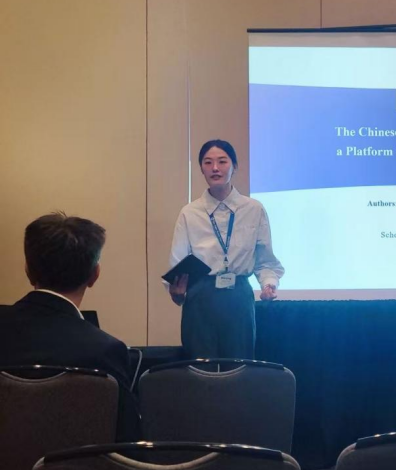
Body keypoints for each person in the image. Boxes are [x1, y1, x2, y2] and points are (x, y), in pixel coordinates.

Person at [0, 212, 139, 440]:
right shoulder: (106, 351)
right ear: (94, 275)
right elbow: (127, 443)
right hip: (77, 464)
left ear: (28, 270)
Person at [168, 139, 284, 359]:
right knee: (200, 366)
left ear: (234, 166)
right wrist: (176, 290)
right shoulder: (189, 213)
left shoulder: (254, 209)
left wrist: (269, 284)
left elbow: (265, 260)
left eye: (222, 161)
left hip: (238, 295)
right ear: (201, 168)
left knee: (239, 364)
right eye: (208, 162)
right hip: (200, 295)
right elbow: (178, 262)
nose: (215, 168)